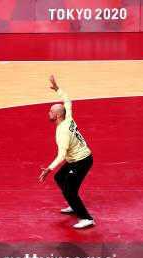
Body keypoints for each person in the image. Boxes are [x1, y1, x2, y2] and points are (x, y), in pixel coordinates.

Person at [39, 75, 95, 229]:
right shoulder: (68, 117)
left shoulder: (62, 132)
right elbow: (68, 102)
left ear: (57, 115)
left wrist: (48, 169)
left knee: (69, 190)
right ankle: (73, 204)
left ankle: (87, 218)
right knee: (60, 178)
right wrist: (58, 89)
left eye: (50, 112)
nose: (48, 113)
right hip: (79, 158)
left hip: (81, 161)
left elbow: (62, 156)